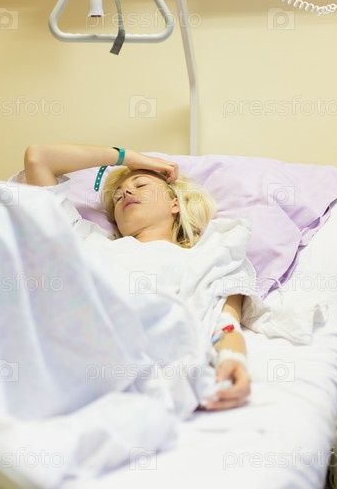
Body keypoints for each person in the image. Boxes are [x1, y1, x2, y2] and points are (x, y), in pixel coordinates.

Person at [23, 143, 252, 411]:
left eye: (141, 185)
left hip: (140, 362)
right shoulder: (86, 239)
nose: (126, 193)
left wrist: (233, 360)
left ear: (175, 204)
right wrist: (128, 158)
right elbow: (39, 158)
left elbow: (225, 324)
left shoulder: (207, 257)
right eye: (118, 196)